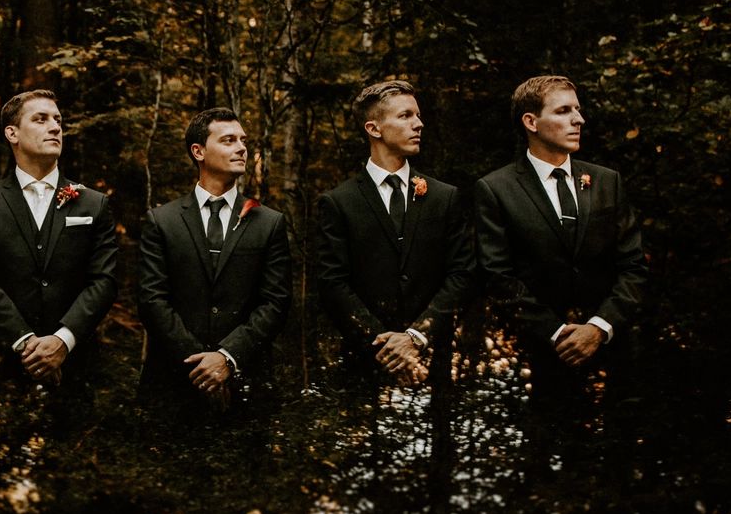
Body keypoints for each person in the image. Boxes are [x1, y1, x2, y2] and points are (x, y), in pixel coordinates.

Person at [473, 75, 646, 400]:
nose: (578, 119)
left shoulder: (607, 182)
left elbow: (634, 267)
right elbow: (497, 276)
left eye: (577, 110)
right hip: (537, 360)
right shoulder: (496, 189)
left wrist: (599, 327)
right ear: (531, 122)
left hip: (615, 357)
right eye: (564, 111)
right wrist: (555, 333)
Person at [0, 90, 119, 411]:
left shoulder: (93, 203)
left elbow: (104, 280)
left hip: (80, 368)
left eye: (58, 120)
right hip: (1, 367)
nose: (55, 127)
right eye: (41, 119)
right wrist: (26, 343)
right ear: (12, 133)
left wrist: (63, 340)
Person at [313, 80, 476, 386]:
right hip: (366, 367)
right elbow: (333, 283)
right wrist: (383, 343)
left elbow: (462, 274)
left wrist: (417, 336)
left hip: (435, 365)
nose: (419, 124)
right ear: (374, 129)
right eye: (405, 116)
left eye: (417, 115)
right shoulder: (338, 202)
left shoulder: (444, 197)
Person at [137, 108, 292, 419]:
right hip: (172, 387)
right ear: (199, 151)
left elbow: (275, 302)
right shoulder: (162, 221)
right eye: (228, 140)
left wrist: (227, 358)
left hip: (247, 388)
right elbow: (152, 300)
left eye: (243, 141)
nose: (241, 148)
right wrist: (200, 364)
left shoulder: (269, 223)